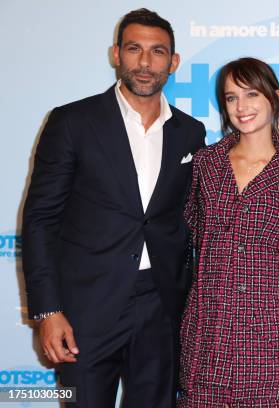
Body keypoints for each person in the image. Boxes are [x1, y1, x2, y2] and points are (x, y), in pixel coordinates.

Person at [21, 8, 205, 407]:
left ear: (172, 62)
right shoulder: (72, 121)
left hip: (160, 305)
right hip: (86, 308)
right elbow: (40, 221)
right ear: (115, 54)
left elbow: (189, 220)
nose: (145, 62)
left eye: (157, 52)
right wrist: (48, 310)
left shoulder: (190, 132)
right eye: (134, 49)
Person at [178, 57, 279, 407]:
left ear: (275, 96)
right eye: (231, 97)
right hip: (208, 328)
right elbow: (190, 232)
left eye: (251, 94)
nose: (241, 107)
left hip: (270, 333)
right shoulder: (205, 163)